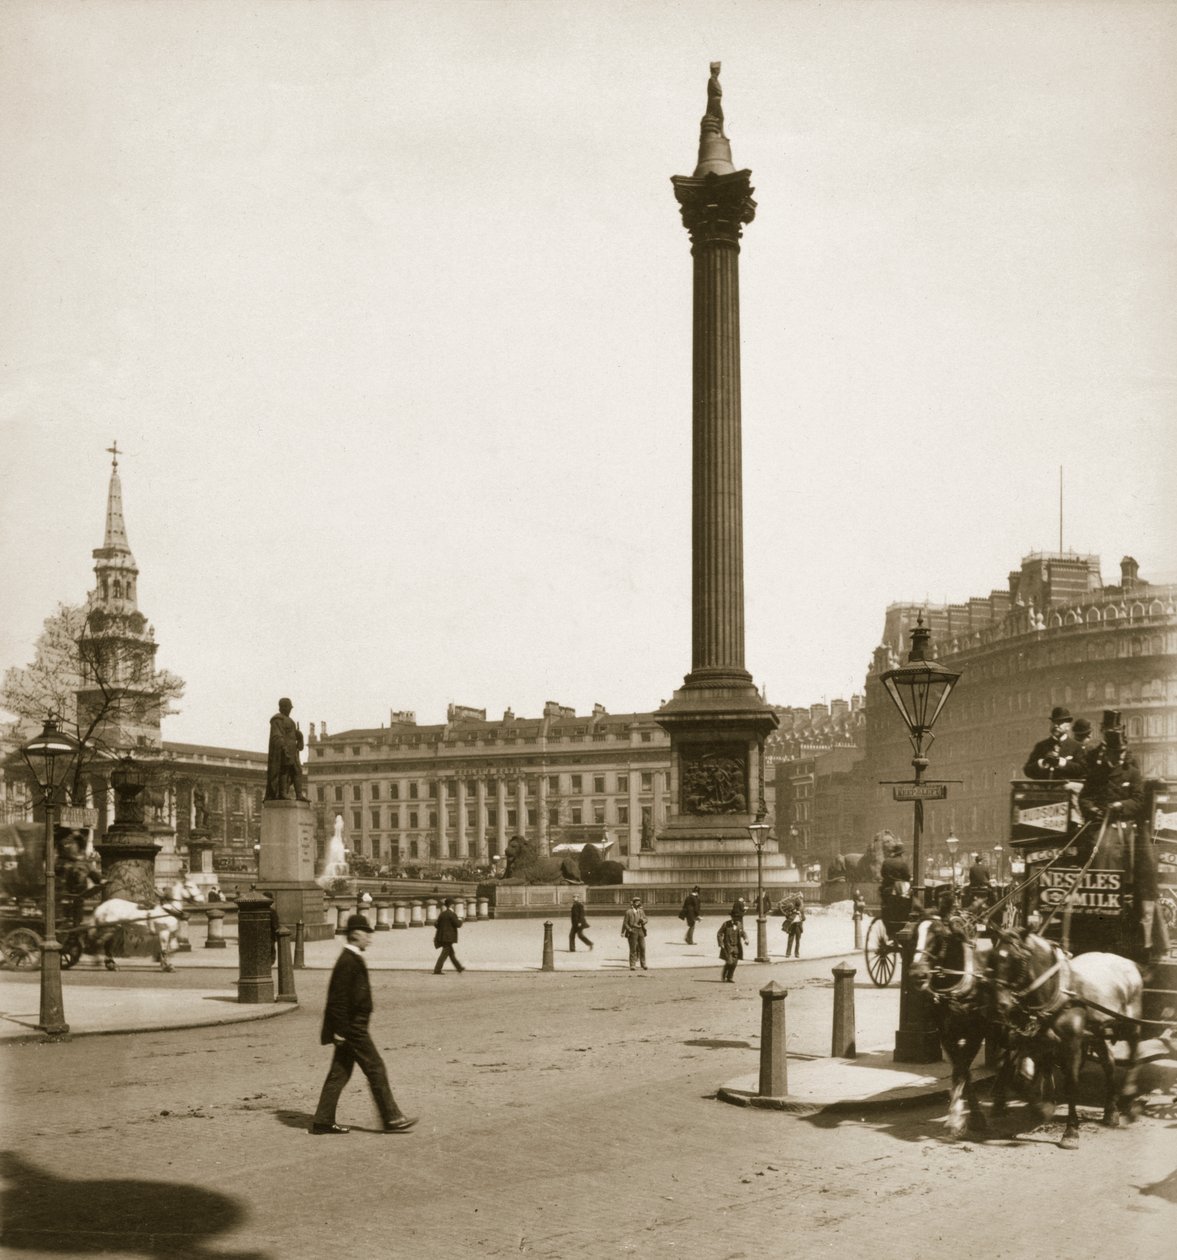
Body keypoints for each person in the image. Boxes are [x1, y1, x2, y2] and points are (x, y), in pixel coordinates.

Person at [311, 914, 416, 1135]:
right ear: (356, 934)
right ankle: (392, 1117)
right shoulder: (348, 961)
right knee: (375, 1067)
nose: (370, 938)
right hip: (352, 1028)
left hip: (350, 1027)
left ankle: (323, 1120)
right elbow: (337, 1000)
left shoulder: (349, 958)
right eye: (367, 934)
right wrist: (340, 1031)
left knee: (339, 1073)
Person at [1023, 706, 1083, 781]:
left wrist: (1061, 762)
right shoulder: (1041, 746)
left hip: (1066, 791)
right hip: (1044, 790)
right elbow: (1027, 770)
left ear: (1068, 726)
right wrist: (1042, 763)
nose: (1055, 725)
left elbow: (1083, 770)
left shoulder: (1076, 746)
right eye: (1054, 722)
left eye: (1060, 722)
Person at [266, 697, 306, 801]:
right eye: (289, 707)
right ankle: (282, 793)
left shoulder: (291, 721)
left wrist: (299, 736)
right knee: (284, 770)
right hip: (284, 749)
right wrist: (283, 747)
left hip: (294, 751)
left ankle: (299, 795)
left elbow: (294, 738)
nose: (290, 710)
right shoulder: (277, 719)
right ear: (283, 707)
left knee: (298, 771)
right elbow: (276, 735)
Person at [433, 898, 465, 974]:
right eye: (453, 904)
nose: (454, 905)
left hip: (442, 937)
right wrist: (461, 920)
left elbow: (436, 924)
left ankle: (459, 968)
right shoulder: (452, 914)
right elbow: (458, 924)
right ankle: (437, 970)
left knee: (451, 953)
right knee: (444, 954)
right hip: (448, 937)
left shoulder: (442, 914)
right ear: (451, 905)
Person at [716, 912, 747, 982]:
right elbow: (719, 933)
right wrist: (721, 943)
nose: (737, 919)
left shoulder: (739, 924)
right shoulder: (726, 924)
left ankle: (730, 977)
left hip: (736, 946)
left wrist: (746, 939)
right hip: (728, 946)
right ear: (732, 917)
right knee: (729, 962)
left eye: (738, 917)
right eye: (736, 917)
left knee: (735, 963)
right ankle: (724, 975)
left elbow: (743, 933)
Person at [621, 896, 648, 971]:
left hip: (641, 931)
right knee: (633, 949)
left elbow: (646, 919)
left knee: (642, 948)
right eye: (636, 902)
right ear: (633, 903)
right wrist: (628, 930)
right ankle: (632, 965)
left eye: (639, 902)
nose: (638, 903)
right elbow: (625, 923)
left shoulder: (641, 911)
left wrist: (643, 921)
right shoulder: (628, 912)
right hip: (633, 931)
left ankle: (643, 964)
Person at [781, 893, 805, 958]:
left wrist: (799, 914)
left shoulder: (800, 910)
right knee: (795, 940)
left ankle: (790, 953)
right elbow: (787, 916)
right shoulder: (792, 909)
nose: (797, 907)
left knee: (792, 940)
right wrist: (793, 913)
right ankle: (794, 953)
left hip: (796, 926)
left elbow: (803, 918)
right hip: (795, 926)